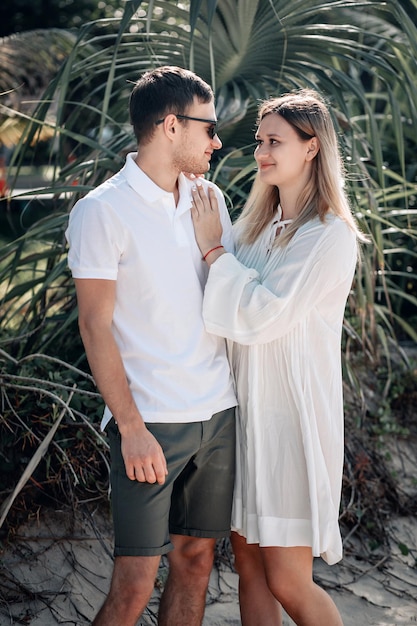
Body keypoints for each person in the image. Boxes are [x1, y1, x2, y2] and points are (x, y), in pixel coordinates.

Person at [65, 65, 237, 626]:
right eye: (207, 127)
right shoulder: (101, 210)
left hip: (219, 413)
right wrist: (131, 427)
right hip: (152, 425)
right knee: (135, 583)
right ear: (170, 126)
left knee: (195, 562)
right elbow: (95, 325)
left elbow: (228, 295)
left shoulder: (209, 200)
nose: (217, 140)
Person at [190, 88, 366, 626]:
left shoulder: (329, 236)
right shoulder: (254, 230)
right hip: (244, 419)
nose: (261, 151)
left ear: (312, 148)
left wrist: (214, 251)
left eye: (275, 141)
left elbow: (263, 313)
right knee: (248, 567)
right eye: (260, 140)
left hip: (290, 424)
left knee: (288, 579)